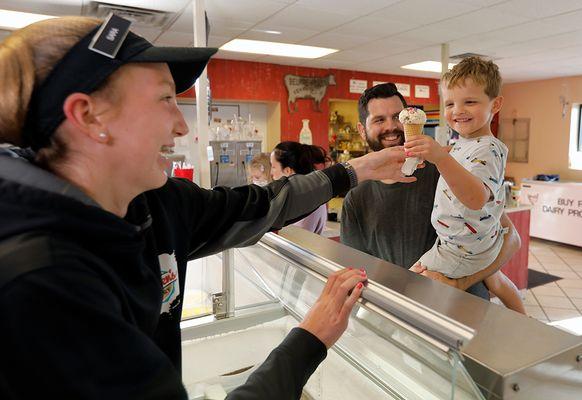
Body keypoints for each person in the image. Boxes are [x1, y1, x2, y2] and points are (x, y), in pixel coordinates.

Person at [0, 17, 418, 399]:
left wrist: (354, 170)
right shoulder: (41, 281)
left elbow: (258, 205)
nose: (181, 125)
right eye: (165, 99)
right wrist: (310, 338)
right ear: (88, 117)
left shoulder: (156, 204)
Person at [341, 83, 521, 299]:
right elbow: (357, 273)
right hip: (408, 309)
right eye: (379, 120)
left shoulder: (445, 168)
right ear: (362, 130)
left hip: (465, 305)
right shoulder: (356, 199)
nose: (392, 126)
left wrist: (459, 284)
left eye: (399, 117)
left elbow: (511, 239)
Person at [405, 58, 525, 314]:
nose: (457, 110)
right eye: (450, 103)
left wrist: (441, 158)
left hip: (459, 251)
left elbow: (475, 198)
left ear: (496, 104)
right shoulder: (462, 143)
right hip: (461, 243)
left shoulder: (488, 148)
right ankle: (524, 323)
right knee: (497, 281)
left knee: (411, 288)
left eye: (470, 101)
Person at [270, 141, 330, 235]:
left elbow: (296, 238)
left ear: (287, 170)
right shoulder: (306, 192)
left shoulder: (305, 198)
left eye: (273, 167)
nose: (271, 173)